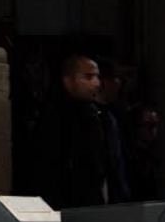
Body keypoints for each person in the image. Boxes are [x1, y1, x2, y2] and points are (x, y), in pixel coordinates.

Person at [34, 55, 130, 209]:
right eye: (88, 77)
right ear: (68, 80)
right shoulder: (55, 117)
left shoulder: (100, 116)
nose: (96, 83)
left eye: (97, 77)